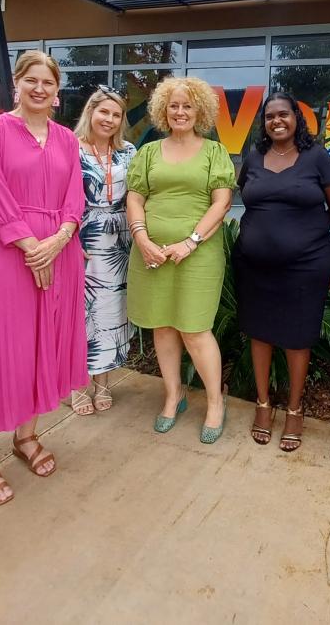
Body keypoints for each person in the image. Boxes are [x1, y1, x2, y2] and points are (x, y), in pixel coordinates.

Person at [0, 50, 87, 506]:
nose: (39, 88)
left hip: (61, 252)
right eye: (30, 80)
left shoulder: (67, 140)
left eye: (48, 83)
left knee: (43, 347)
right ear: (16, 84)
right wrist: (29, 245)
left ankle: (26, 435)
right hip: (9, 255)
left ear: (57, 93)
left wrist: (59, 239)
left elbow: (75, 196)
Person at [125, 76, 235, 443]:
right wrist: (142, 238)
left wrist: (190, 241)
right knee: (162, 325)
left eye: (187, 105)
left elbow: (222, 202)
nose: (180, 111)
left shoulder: (214, 153)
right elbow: (135, 198)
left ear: (200, 110)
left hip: (198, 254)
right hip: (151, 252)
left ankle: (216, 403)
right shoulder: (148, 153)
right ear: (163, 110)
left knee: (195, 328)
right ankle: (174, 395)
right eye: (173, 105)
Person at [233, 92, 330, 452]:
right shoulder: (254, 157)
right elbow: (245, 195)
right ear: (264, 123)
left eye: (283, 114)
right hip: (254, 266)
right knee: (260, 333)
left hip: (306, 265)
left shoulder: (318, 158)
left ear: (297, 117)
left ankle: (294, 409)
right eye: (269, 117)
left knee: (298, 337)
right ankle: (264, 404)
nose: (276, 121)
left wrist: (302, 235)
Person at [71, 85, 136, 415]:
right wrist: (68, 239)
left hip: (119, 242)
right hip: (82, 238)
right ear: (90, 113)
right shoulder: (70, 148)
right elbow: (59, 197)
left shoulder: (129, 152)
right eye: (103, 112)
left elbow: (138, 197)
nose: (109, 119)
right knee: (82, 313)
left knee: (112, 312)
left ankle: (103, 382)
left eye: (116, 114)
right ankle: (78, 384)